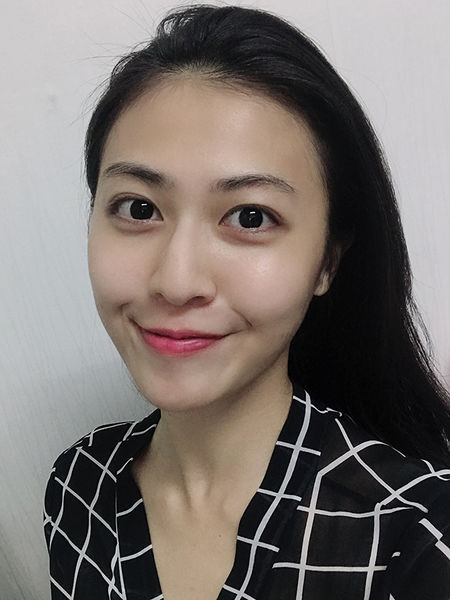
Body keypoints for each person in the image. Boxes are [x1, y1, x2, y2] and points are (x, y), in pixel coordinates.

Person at [43, 4, 450, 599]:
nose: (177, 281)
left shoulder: (417, 540)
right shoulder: (78, 487)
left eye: (250, 217)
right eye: (139, 208)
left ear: (327, 262)